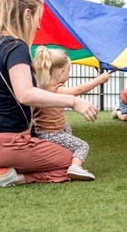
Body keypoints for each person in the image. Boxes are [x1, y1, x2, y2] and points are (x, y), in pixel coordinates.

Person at [0, 0, 98, 188]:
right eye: (39, 17)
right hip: (9, 143)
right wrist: (73, 101)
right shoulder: (15, 46)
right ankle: (15, 177)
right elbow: (26, 94)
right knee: (69, 160)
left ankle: (1, 168)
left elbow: (2, 10)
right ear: (27, 14)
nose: (39, 26)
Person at [32, 46, 110, 181]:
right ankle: (75, 167)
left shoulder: (39, 88)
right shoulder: (56, 89)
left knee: (67, 126)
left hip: (40, 132)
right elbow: (78, 90)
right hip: (51, 134)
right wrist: (99, 80)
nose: (68, 75)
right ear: (62, 72)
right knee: (82, 146)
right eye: (69, 71)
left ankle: (64, 156)